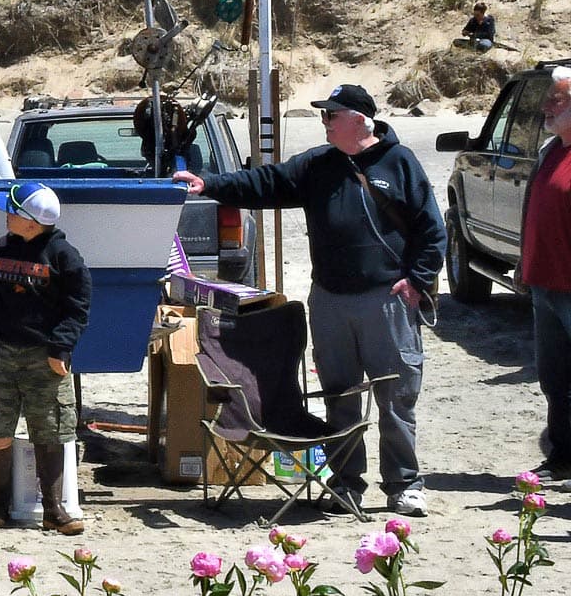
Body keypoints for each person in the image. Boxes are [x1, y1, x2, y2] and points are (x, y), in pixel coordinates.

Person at [172, 84, 446, 516]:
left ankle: (404, 484)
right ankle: (346, 483)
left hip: (387, 299)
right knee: (340, 394)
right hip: (330, 300)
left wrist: (417, 280)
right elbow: (265, 182)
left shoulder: (400, 162)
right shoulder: (319, 164)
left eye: (331, 115)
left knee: (395, 394)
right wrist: (209, 183)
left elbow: (433, 230)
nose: (324, 122)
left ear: (359, 120)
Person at [0, 181, 93, 534]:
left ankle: (54, 510)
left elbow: (78, 307)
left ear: (31, 222)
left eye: (12, 210)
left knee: (50, 430)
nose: (6, 215)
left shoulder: (64, 256)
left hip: (44, 357)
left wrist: (61, 348)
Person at [523, 67, 571, 477]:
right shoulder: (551, 150)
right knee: (555, 379)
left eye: (556, 100)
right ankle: (562, 457)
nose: (545, 107)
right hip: (545, 284)